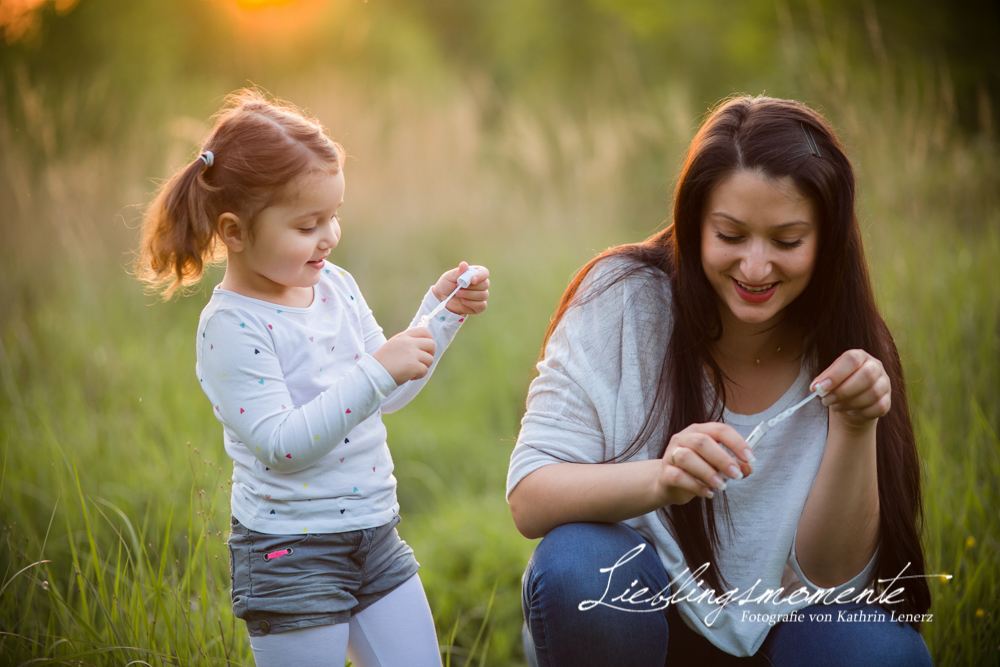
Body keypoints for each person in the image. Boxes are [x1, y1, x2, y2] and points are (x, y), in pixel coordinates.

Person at [506, 96, 933, 666]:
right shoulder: (623, 299)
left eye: (787, 241)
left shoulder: (853, 351)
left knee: (880, 651)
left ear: (826, 240)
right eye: (730, 235)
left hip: (781, 635)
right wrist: (662, 479)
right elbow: (531, 497)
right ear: (694, 223)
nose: (756, 269)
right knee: (580, 566)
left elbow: (832, 588)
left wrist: (855, 426)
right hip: (635, 622)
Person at [136, 89, 489, 667]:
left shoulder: (336, 285)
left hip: (375, 535)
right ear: (235, 231)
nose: (329, 236)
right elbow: (283, 446)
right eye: (307, 225)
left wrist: (442, 312)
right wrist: (377, 371)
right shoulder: (231, 327)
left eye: (334, 217)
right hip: (289, 554)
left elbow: (388, 390)